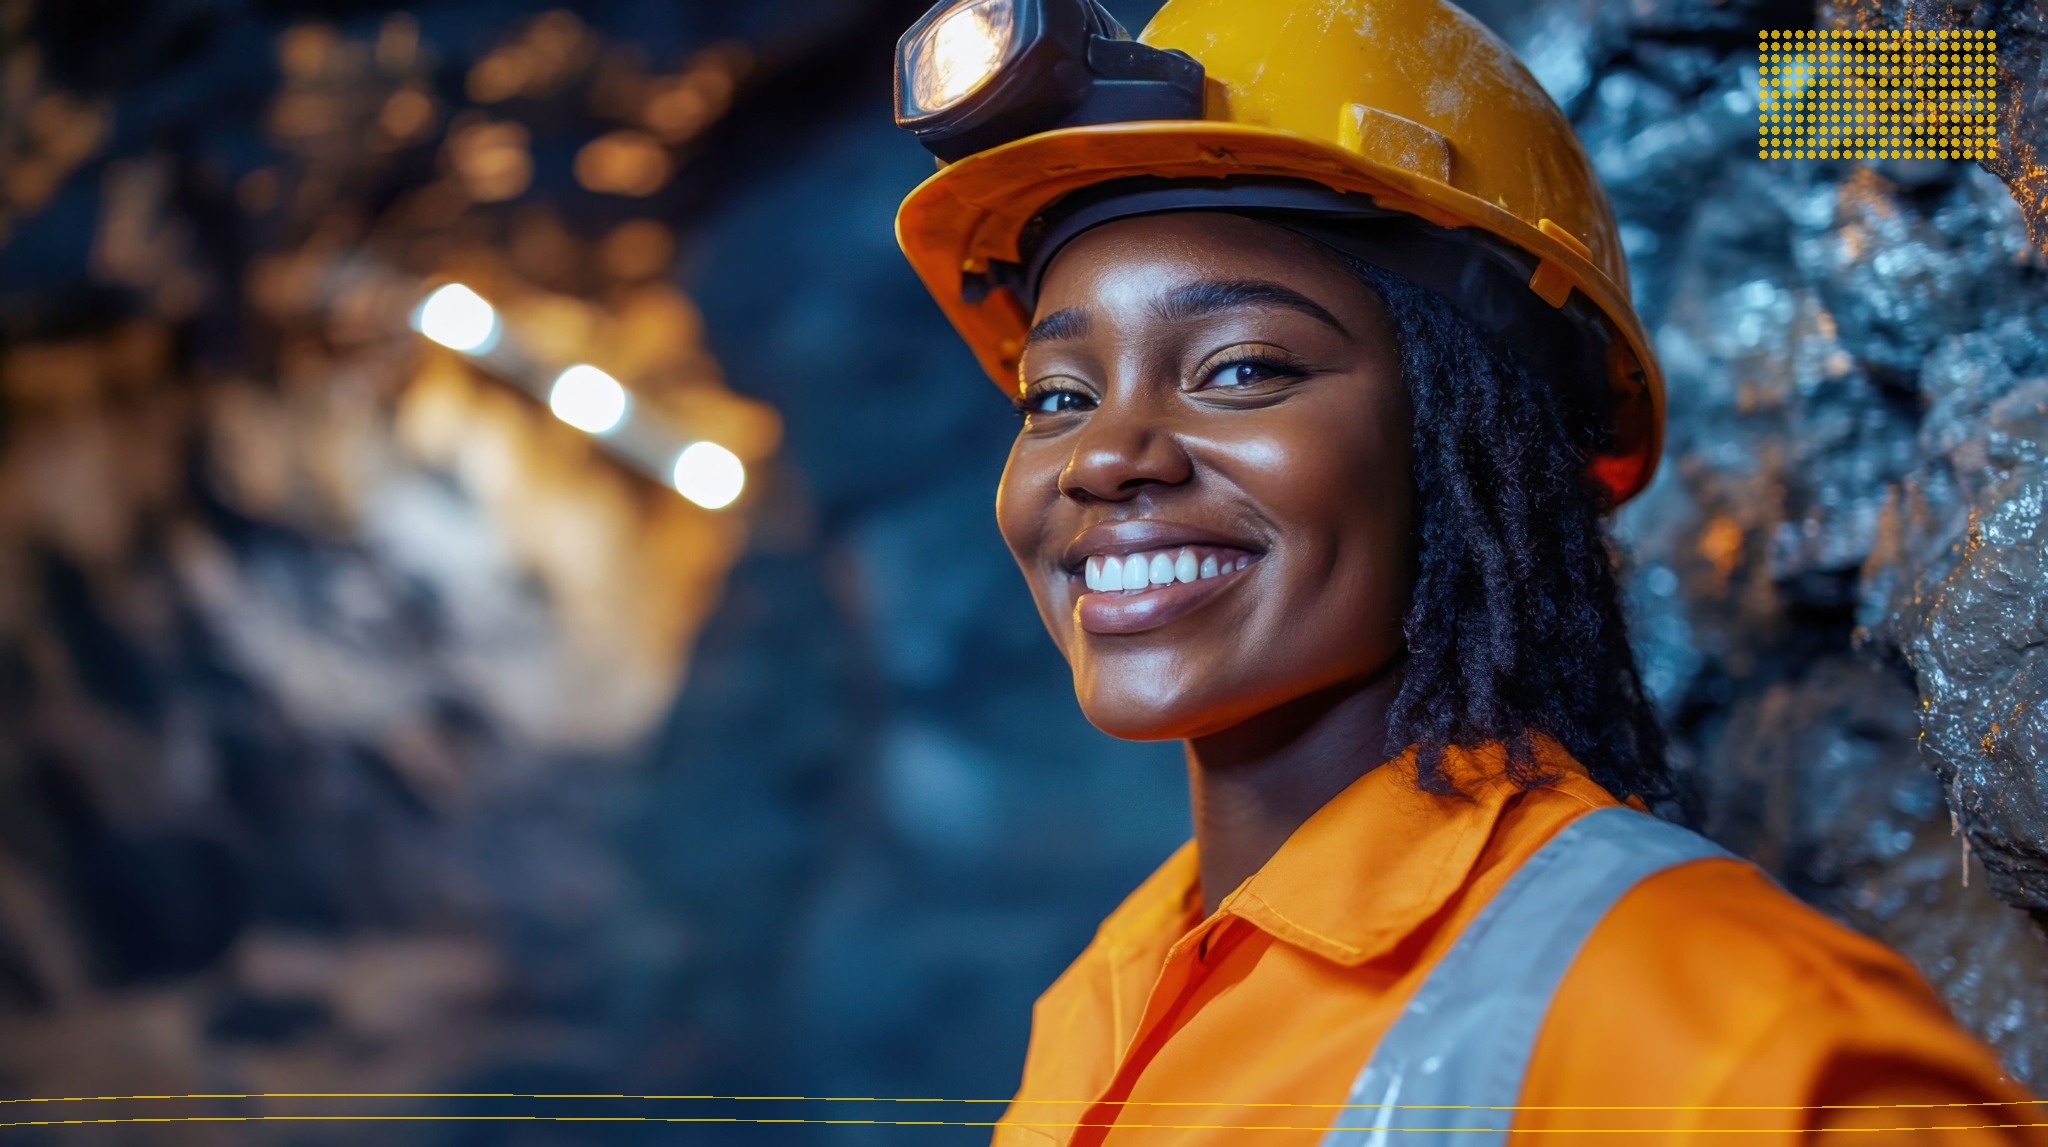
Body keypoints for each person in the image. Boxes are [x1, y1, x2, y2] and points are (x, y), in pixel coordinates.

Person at [889, 0, 2048, 1142]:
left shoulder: (1731, 1036)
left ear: (1471, 442)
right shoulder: (1114, 996)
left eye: (1240, 369)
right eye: (1057, 395)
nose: (1101, 456)